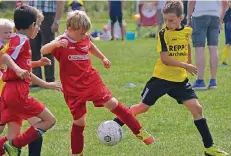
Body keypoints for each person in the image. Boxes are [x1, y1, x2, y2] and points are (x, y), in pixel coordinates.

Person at [113, 1, 229, 155]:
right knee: (142, 108)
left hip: (180, 81)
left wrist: (188, 62)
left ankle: (209, 147)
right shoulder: (163, 34)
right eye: (166, 20)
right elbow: (165, 59)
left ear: (181, 18)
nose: (167, 23)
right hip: (161, 79)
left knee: (197, 109)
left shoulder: (186, 31)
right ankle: (115, 124)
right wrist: (186, 66)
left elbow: (186, 45)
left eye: (172, 20)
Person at [41, 10, 154, 155]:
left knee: (113, 104)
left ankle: (139, 132)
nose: (84, 36)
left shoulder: (84, 38)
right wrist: (55, 44)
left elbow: (90, 46)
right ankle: (76, 153)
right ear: (69, 29)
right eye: (81, 33)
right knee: (80, 122)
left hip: (91, 81)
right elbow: (43, 50)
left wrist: (103, 58)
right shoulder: (61, 41)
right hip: (72, 88)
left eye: (85, 33)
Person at [0, 5, 61, 155]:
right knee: (49, 120)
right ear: (32, 25)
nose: (39, 29)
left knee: (10, 136)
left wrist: (37, 66)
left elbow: (22, 67)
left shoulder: (17, 39)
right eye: (38, 25)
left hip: (9, 93)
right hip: (17, 93)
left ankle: (12, 144)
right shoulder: (21, 40)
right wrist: (18, 69)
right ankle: (16, 145)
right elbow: (5, 57)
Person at [187, 0, 228, 89]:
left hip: (199, 16)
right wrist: (220, 20)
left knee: (199, 48)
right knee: (213, 48)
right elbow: (225, 3)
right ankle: (213, 81)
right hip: (215, 17)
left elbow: (191, 2)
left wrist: (188, 17)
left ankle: (200, 81)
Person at [29, 1, 65, 85]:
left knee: (48, 50)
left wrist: (56, 22)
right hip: (32, 15)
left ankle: (50, 79)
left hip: (48, 16)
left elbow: (60, 2)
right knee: (34, 50)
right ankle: (37, 80)